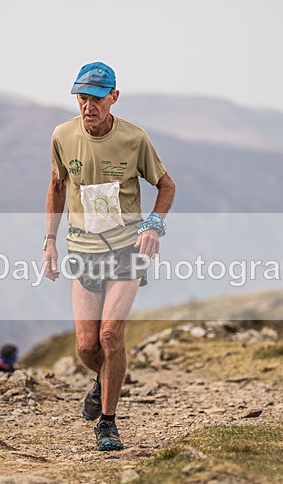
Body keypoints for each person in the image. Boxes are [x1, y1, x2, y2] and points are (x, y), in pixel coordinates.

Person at [43, 62, 176, 451]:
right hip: (82, 249)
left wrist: (154, 225)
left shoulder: (134, 139)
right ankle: (104, 379)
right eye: (82, 98)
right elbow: (56, 185)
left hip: (125, 248)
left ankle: (108, 422)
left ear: (113, 97)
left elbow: (166, 186)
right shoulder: (62, 136)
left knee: (110, 334)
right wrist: (49, 241)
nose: (88, 106)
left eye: (97, 99)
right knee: (87, 346)